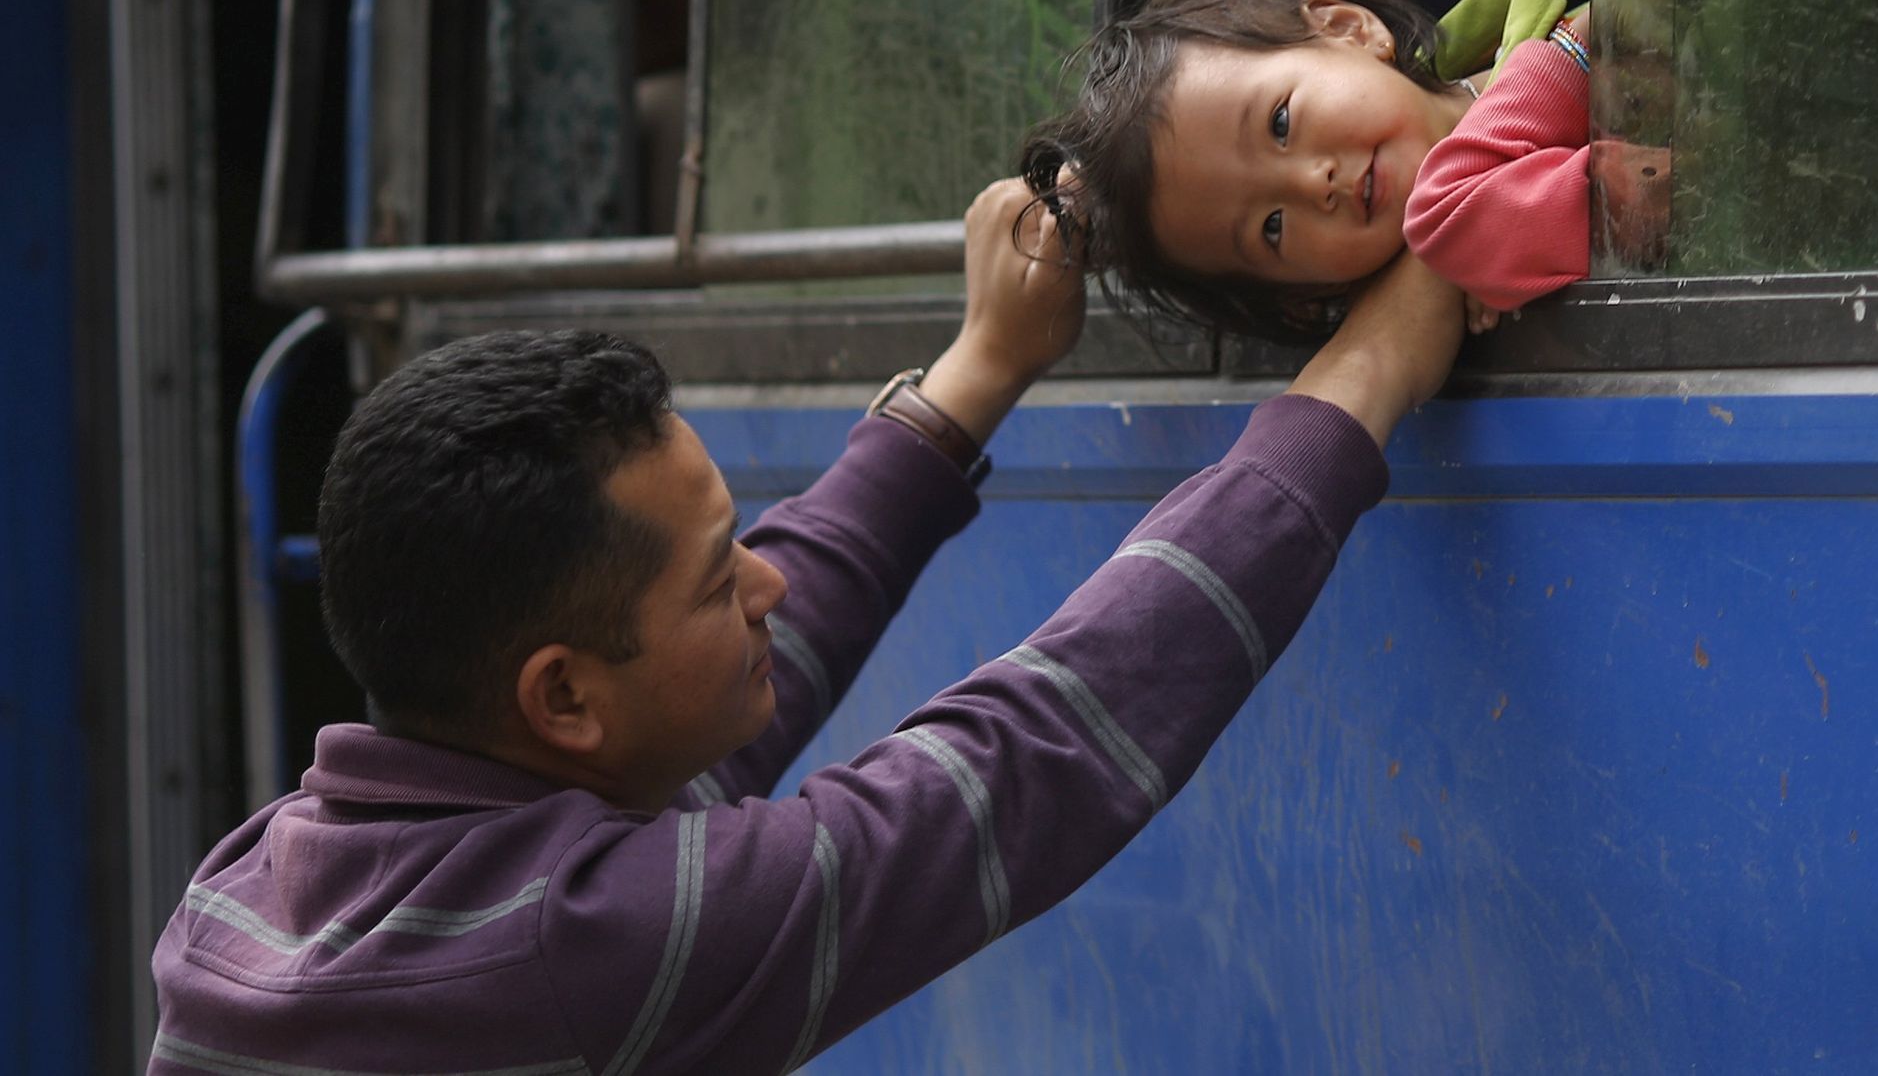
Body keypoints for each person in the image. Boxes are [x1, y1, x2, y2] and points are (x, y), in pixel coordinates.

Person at [149, 180, 1463, 1074]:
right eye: (723, 580)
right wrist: (1365, 373)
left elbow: (785, 613)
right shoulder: (579, 943)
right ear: (559, 699)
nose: (767, 587)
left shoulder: (254, 884)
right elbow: (1025, 756)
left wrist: (982, 363)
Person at [1021, 0, 1598, 340]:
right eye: (1271, 227)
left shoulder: (1576, 51)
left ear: (1349, 29)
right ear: (1307, 295)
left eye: (1279, 124)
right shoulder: (1442, 327)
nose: (1311, 183)